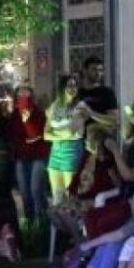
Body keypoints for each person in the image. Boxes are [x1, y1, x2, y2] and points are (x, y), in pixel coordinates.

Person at [8, 85, 49, 223]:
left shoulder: (38, 113)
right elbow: (12, 136)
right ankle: (30, 221)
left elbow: (36, 135)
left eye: (27, 92)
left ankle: (41, 221)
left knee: (35, 190)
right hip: (22, 157)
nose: (23, 94)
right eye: (20, 92)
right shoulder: (14, 115)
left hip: (38, 156)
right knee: (24, 192)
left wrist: (27, 121)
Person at [45, 74, 84, 205]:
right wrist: (62, 133)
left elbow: (70, 132)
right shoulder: (54, 106)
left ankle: (74, 225)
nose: (73, 88)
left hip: (72, 150)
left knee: (71, 195)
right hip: (55, 151)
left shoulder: (80, 106)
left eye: (75, 85)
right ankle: (58, 224)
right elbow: (45, 134)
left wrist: (55, 132)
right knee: (57, 197)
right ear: (62, 88)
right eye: (70, 85)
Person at [74, 55, 119, 133]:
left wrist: (91, 114)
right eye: (94, 69)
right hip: (78, 139)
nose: (98, 73)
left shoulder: (107, 92)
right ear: (85, 71)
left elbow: (114, 120)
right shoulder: (76, 93)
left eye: (100, 70)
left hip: (99, 138)